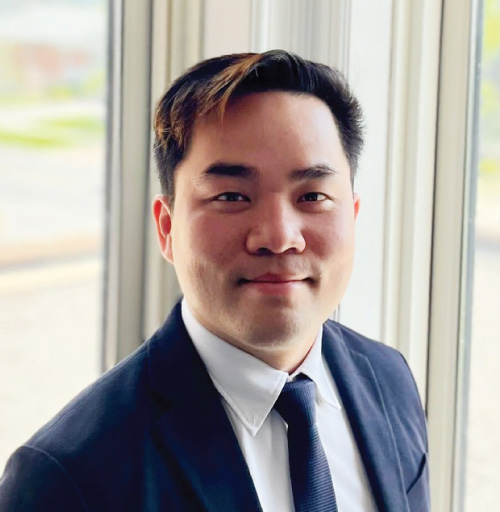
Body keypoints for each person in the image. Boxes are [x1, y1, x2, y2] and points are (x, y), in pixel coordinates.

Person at [0, 50, 429, 511]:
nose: (279, 237)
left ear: (353, 216)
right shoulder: (67, 478)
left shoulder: (389, 379)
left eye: (312, 196)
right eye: (231, 196)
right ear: (167, 228)